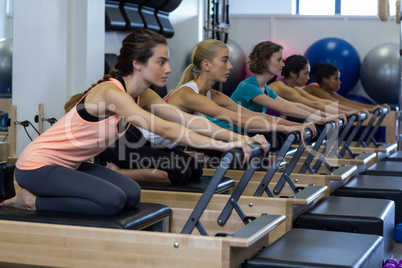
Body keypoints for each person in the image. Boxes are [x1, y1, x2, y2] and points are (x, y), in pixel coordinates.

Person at [0, 29, 268, 215]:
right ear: (138, 63)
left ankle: (38, 198)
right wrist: (223, 147)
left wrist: (241, 139)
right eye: (160, 62)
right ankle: (30, 201)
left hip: (71, 166)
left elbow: (187, 121)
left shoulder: (143, 94)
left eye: (168, 61)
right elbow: (164, 128)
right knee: (112, 201)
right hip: (37, 166)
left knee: (131, 193)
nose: (169, 69)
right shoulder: (110, 92)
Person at [141, 39, 315, 152]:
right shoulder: (188, 94)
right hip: (143, 144)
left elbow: (251, 115)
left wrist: (293, 125)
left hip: (171, 146)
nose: (230, 67)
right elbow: (237, 119)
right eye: (225, 60)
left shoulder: (213, 94)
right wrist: (286, 127)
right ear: (206, 65)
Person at [208, 41, 343, 134]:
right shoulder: (247, 86)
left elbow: (291, 105)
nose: (283, 65)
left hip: (246, 130)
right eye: (279, 60)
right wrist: (322, 118)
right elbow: (284, 108)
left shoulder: (266, 89)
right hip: (225, 130)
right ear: (266, 61)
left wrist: (326, 116)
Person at [268, 55, 360, 119]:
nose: (308, 77)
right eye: (306, 73)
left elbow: (321, 101)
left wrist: (352, 111)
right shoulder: (281, 87)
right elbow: (314, 104)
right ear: (293, 73)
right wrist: (347, 112)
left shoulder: (294, 88)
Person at [303, 62, 389, 113]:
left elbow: (346, 101)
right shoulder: (314, 89)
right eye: (336, 78)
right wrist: (370, 110)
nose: (339, 82)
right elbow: (336, 104)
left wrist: (374, 107)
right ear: (325, 80)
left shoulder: (328, 91)